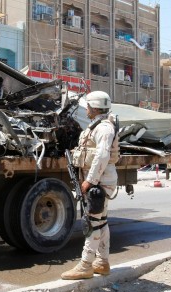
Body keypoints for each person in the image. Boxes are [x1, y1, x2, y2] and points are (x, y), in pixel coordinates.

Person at [61, 91, 119, 280]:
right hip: (98, 181)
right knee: (101, 221)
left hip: (99, 183)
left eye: (88, 106)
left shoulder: (104, 128)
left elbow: (102, 156)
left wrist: (89, 181)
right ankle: (102, 262)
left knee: (92, 222)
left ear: (94, 107)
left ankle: (85, 265)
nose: (86, 109)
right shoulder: (95, 127)